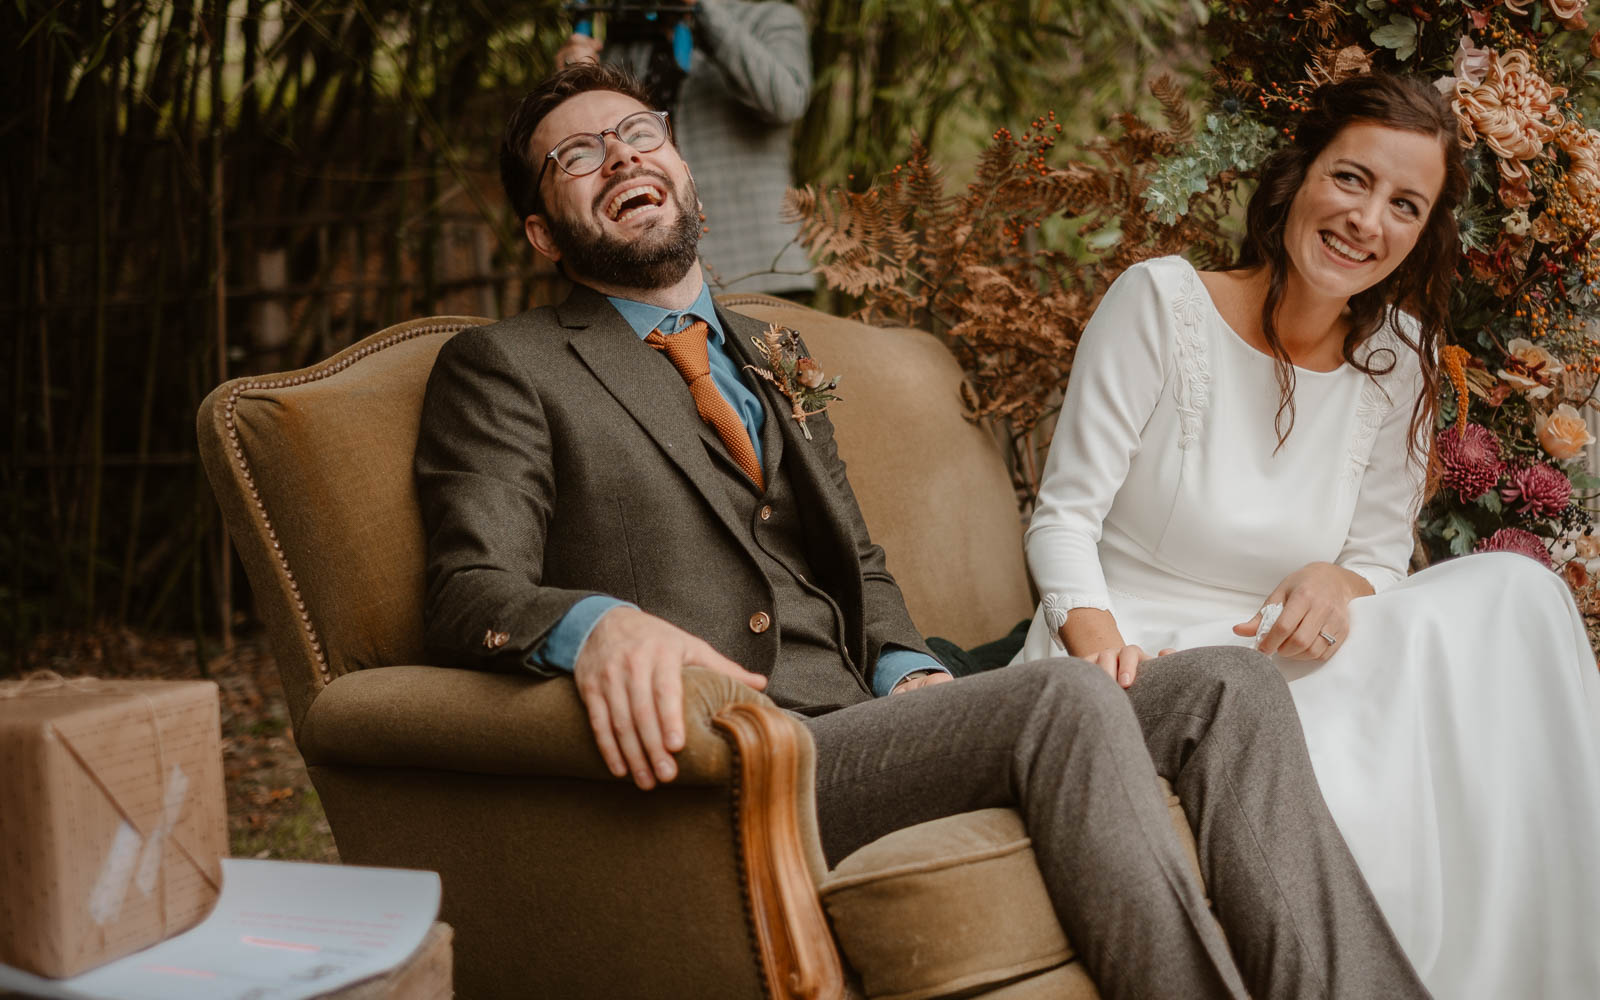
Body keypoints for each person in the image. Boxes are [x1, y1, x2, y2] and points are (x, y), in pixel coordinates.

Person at [415, 62, 1430, 998]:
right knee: (1063, 699)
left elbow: (855, 565)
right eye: (578, 154)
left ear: (687, 174)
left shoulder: (770, 346)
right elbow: (468, 591)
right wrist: (597, 625)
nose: (623, 156)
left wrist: (908, 672)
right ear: (543, 231)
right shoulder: (508, 368)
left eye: (639, 133)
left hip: (873, 722)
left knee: (1228, 683)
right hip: (753, 753)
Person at [1015, 72, 1600, 999]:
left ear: (1422, 233)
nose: (1369, 220)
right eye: (1352, 179)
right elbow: (1064, 521)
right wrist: (1102, 655)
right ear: (1298, 179)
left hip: (1295, 648)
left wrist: (1342, 581)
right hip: (1147, 656)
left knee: (1520, 594)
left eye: (1405, 204)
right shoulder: (1161, 305)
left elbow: (1375, 558)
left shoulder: (1397, 356)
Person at [554, 0, 814, 296]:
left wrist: (701, 11)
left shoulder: (770, 17)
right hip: (667, 276)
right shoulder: (630, 39)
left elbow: (785, 101)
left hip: (764, 266)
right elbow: (599, 136)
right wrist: (577, 77)